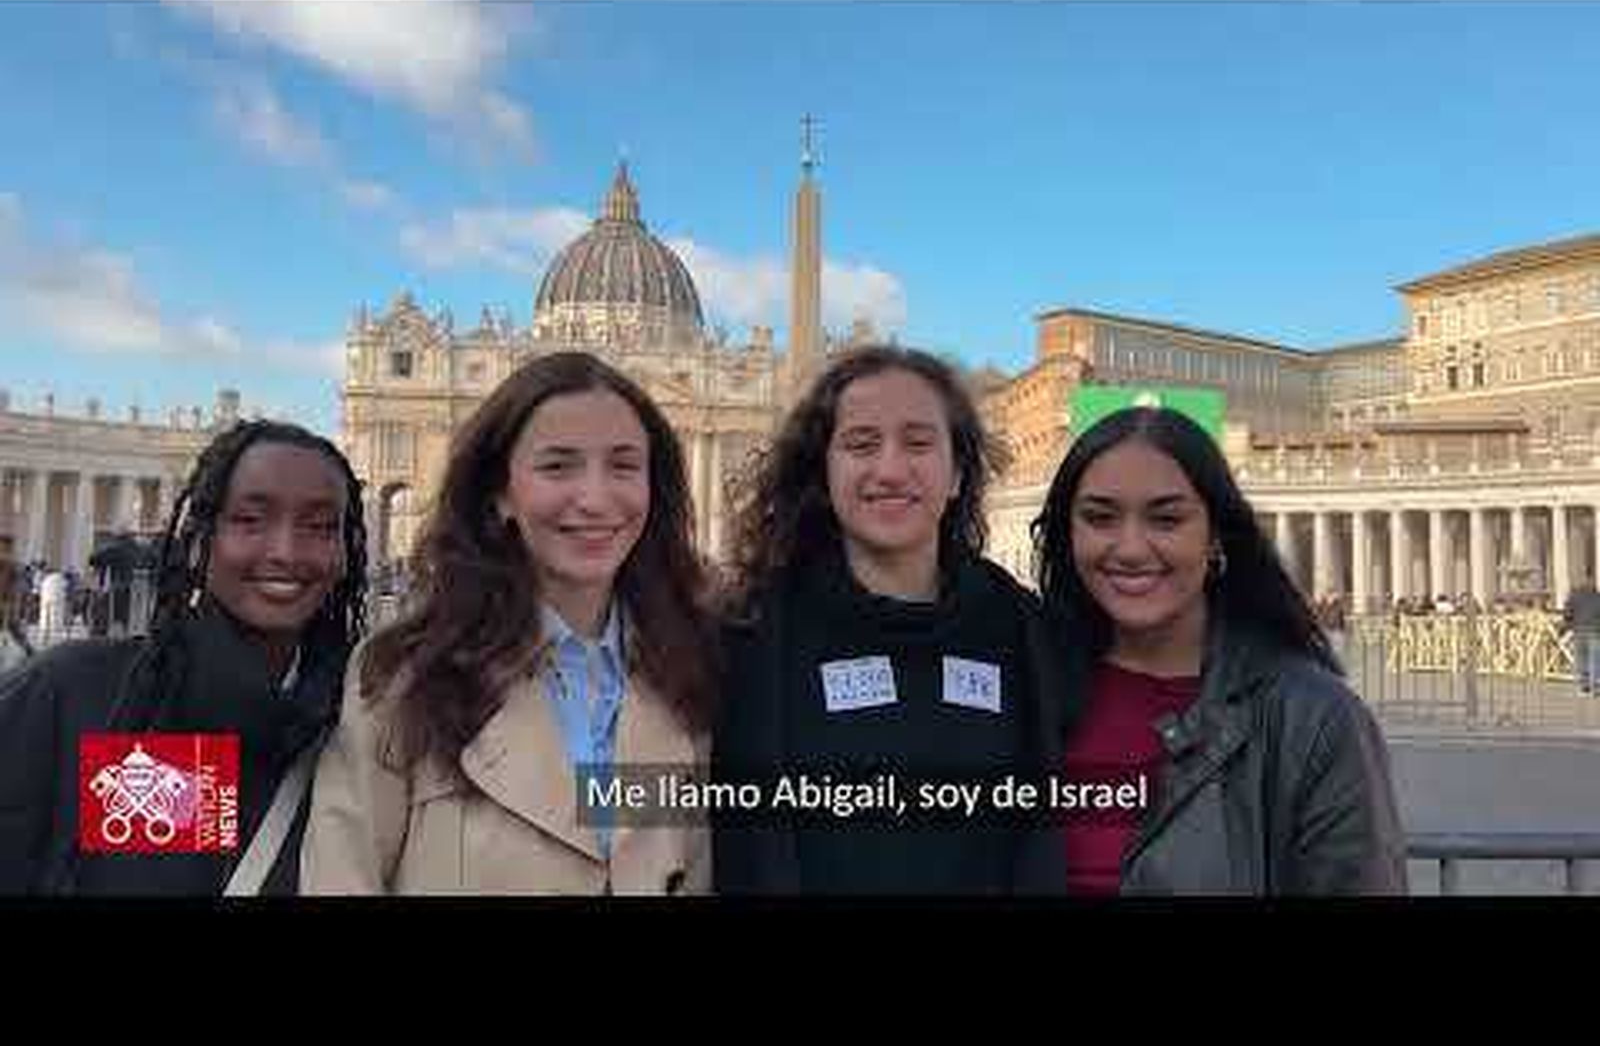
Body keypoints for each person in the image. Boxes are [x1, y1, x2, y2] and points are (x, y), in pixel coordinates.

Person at [301, 352, 717, 894]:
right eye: (558, 465)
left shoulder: (685, 669)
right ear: (500, 493)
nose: (594, 499)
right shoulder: (401, 674)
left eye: (623, 465)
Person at [712, 346, 1064, 894]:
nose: (891, 469)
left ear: (957, 475)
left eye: (919, 443)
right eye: (861, 444)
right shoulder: (753, 631)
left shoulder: (1022, 627)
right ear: (823, 472)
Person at [1033, 406, 1406, 895]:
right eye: (1099, 518)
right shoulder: (1024, 685)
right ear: (1069, 533)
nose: (1129, 547)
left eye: (1166, 519)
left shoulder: (1315, 717)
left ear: (1215, 537)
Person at [0, 420, 368, 895]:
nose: (285, 551)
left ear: (345, 551)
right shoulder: (79, 691)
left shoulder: (359, 725)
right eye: (250, 520)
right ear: (200, 536)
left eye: (319, 527)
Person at [1562, 581, 1600, 696]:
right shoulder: (1598, 598)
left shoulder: (1574, 597)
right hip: (1594, 631)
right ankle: (1594, 687)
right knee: (1594, 660)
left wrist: (1569, 625)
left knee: (1581, 660)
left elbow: (1567, 613)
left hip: (1578, 631)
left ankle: (1583, 687)